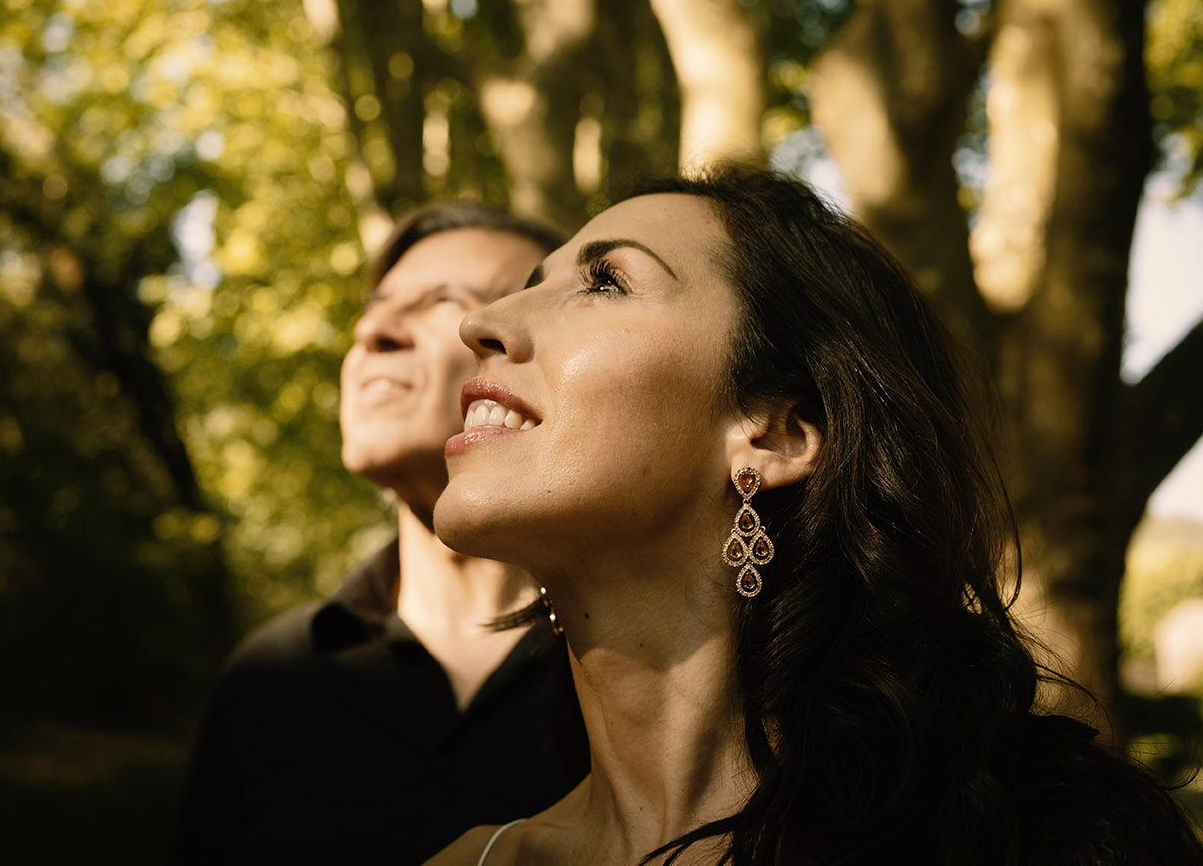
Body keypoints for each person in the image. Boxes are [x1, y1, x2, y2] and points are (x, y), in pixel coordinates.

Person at [427, 163, 1203, 866]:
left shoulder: (1041, 840)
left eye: (605, 283)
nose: (482, 322)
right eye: (532, 282)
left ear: (777, 434)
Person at [171, 203, 586, 865]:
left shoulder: (635, 676)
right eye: (375, 307)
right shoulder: (268, 676)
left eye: (444, 302)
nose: (371, 330)